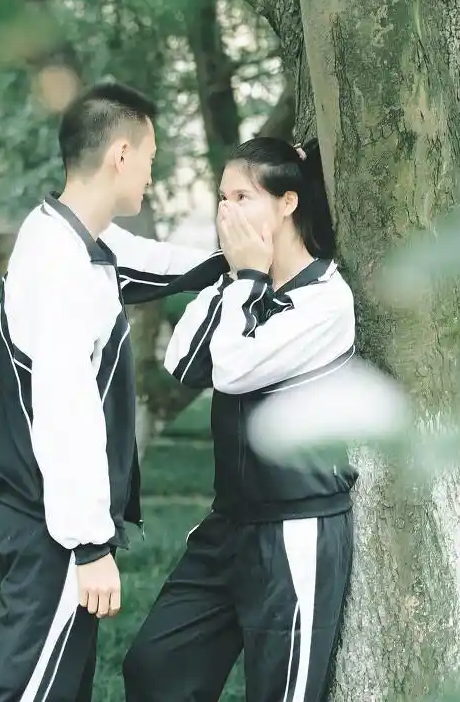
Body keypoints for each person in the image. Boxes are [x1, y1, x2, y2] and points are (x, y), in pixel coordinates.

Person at [0, 82, 227, 702]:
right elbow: (66, 413)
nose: (151, 174)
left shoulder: (71, 238)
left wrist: (245, 255)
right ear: (120, 154)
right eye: (150, 158)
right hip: (51, 531)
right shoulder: (59, 266)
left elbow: (151, 265)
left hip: (45, 524)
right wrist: (89, 547)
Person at [122, 137, 358, 702]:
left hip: (296, 530)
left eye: (242, 197)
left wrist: (247, 278)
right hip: (227, 526)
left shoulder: (326, 301)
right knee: (155, 668)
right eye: (222, 198)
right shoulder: (237, 283)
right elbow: (184, 363)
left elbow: (231, 371)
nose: (226, 211)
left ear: (287, 203)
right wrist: (236, 278)